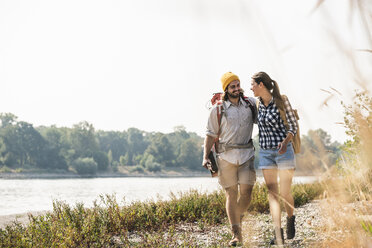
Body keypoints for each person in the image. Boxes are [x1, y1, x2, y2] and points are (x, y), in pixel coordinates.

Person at [203, 72, 257, 246]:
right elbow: (210, 136)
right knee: (231, 194)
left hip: (247, 154)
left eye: (238, 85)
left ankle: (237, 217)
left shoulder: (250, 105)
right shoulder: (217, 109)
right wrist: (205, 157)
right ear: (226, 89)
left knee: (247, 193)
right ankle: (236, 233)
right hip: (225, 157)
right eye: (232, 86)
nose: (236, 88)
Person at [250, 71, 297, 245]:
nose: (251, 88)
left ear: (261, 85)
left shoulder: (281, 101)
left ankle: (291, 219)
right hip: (265, 154)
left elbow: (293, 126)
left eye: (253, 84)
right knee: (273, 194)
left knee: (285, 192)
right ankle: (278, 234)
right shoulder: (258, 104)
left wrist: (285, 142)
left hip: (284, 152)